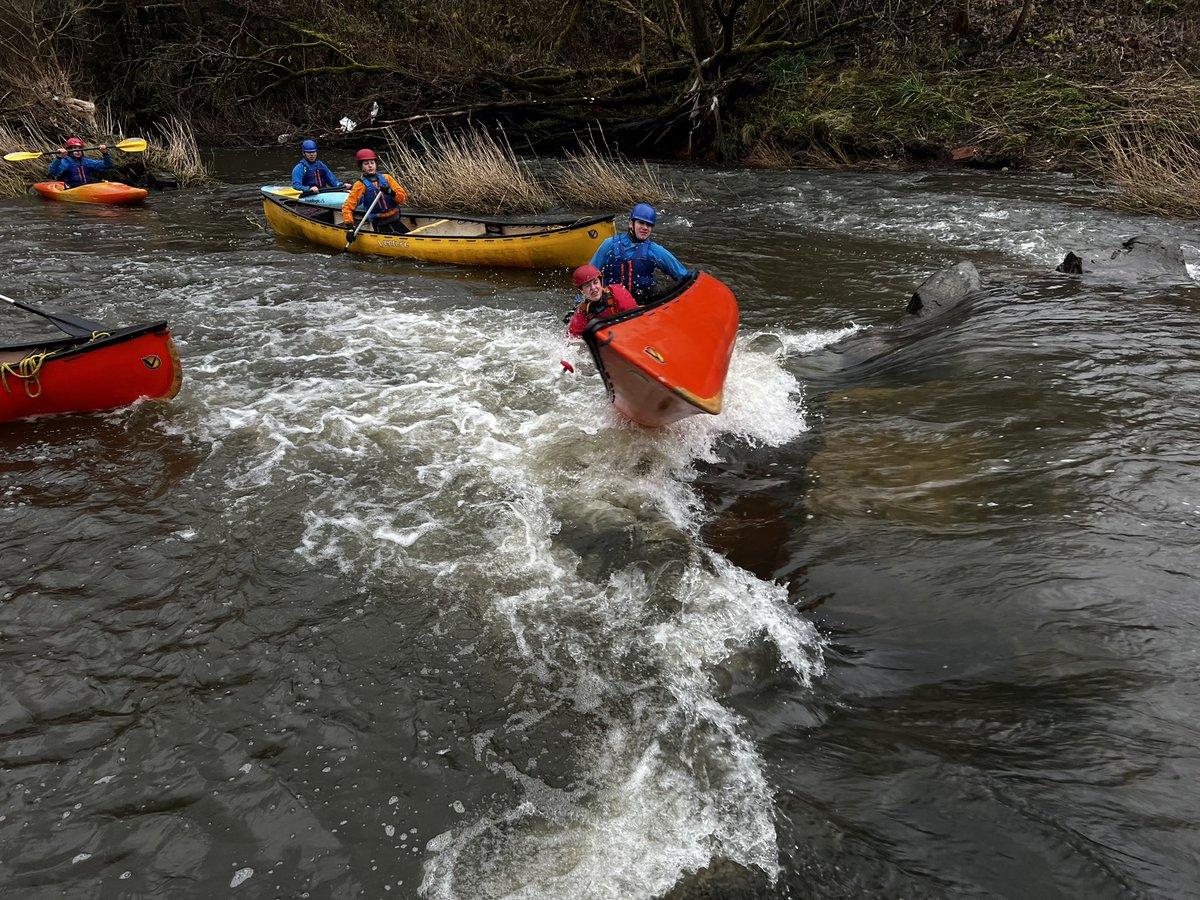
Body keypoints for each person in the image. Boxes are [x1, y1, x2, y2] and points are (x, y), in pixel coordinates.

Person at [588, 202, 690, 304]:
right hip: (613, 302)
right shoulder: (609, 245)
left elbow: (682, 275)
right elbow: (588, 277)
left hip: (644, 301)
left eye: (649, 225)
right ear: (631, 224)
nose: (645, 227)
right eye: (641, 223)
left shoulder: (655, 250)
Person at [342, 148, 408, 239]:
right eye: (366, 164)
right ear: (361, 167)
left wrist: (390, 192)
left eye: (372, 163)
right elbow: (348, 207)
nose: (370, 166)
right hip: (379, 224)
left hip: (395, 219)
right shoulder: (360, 185)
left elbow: (402, 198)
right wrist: (350, 227)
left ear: (376, 164)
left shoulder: (387, 178)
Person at [567, 264, 638, 337]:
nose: (593, 288)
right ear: (581, 291)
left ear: (601, 282)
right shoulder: (582, 314)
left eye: (595, 282)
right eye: (587, 285)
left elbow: (636, 319)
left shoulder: (618, 292)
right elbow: (570, 340)